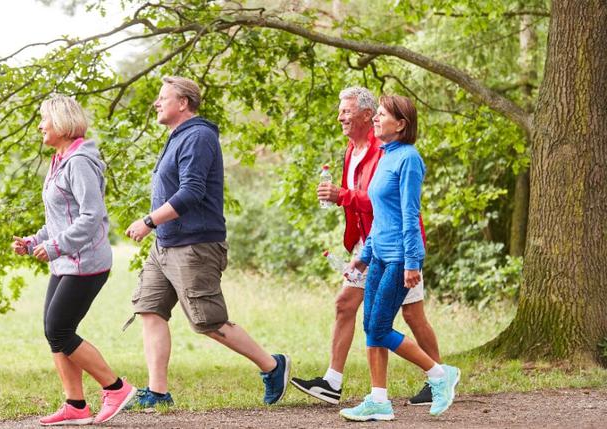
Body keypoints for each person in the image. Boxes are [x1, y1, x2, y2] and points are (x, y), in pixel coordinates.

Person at [123, 76, 290, 408]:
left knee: (208, 322)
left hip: (195, 245)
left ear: (183, 102)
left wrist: (148, 221)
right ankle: (158, 392)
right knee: (150, 309)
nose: (156, 103)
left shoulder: (198, 136)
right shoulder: (177, 137)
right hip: (166, 244)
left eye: (162, 97)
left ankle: (272, 366)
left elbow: (191, 191)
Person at [290, 87, 441, 406]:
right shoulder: (351, 150)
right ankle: (335, 382)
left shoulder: (385, 150)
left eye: (346, 111)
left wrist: (341, 195)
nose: (340, 116)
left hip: (394, 244)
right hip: (368, 244)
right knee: (346, 304)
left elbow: (385, 203)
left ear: (366, 114)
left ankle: (437, 378)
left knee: (411, 315)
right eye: (340, 111)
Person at [11, 95, 135, 426]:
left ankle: (116, 388)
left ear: (62, 123)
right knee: (55, 332)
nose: (40, 125)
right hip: (67, 260)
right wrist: (36, 240)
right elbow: (61, 216)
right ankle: (76, 404)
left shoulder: (80, 161)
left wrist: (54, 246)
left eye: (44, 120)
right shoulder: (60, 159)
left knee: (60, 329)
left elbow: (92, 216)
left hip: (86, 262)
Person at [339, 95, 460, 421]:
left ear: (401, 124)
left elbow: (410, 214)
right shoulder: (385, 156)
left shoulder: (408, 159)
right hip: (379, 256)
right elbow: (381, 217)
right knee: (371, 327)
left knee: (378, 328)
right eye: (376, 114)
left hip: (398, 259)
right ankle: (378, 399)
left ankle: (439, 374)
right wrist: (363, 257)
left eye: (381, 115)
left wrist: (412, 262)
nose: (375, 120)